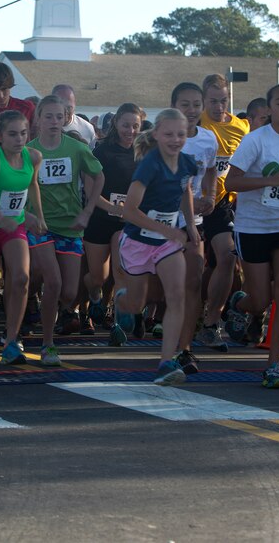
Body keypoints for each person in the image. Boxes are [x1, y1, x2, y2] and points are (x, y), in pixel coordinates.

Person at [224, 84, 279, 389]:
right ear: (270, 109)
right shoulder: (255, 141)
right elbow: (231, 182)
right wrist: (269, 180)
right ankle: (239, 304)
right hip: (252, 226)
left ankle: (274, 364)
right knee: (260, 300)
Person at [114, 108, 198, 385]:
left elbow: (184, 190)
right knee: (136, 305)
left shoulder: (187, 163)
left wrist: (190, 225)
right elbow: (129, 211)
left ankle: (166, 362)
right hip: (138, 241)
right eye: (169, 134)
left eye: (181, 134)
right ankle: (121, 300)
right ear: (157, 135)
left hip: (166, 244)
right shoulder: (150, 165)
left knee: (176, 295)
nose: (175, 140)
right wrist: (166, 229)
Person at [27, 94, 104, 364]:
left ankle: (40, 306)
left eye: (59, 117)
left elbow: (98, 176)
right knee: (54, 282)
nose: (54, 122)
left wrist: (87, 210)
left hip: (71, 226)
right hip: (41, 226)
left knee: (69, 293)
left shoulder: (76, 148)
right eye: (48, 116)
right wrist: (27, 215)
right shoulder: (30, 151)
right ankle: (48, 345)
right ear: (37, 120)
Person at [0, 110, 46, 364]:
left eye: (24, 133)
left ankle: (12, 340)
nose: (19, 139)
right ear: (0, 136)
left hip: (14, 227)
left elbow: (33, 185)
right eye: (13, 134)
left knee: (21, 279)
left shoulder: (34, 156)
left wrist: (38, 215)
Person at [197, 74, 250, 349]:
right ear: (203, 101)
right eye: (213, 101)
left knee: (228, 257)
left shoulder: (241, 127)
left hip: (221, 204)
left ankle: (212, 321)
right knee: (196, 267)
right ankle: (188, 314)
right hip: (190, 202)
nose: (219, 107)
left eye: (223, 100)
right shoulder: (195, 123)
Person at [83, 103, 143, 332]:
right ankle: (95, 298)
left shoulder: (142, 152)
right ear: (116, 123)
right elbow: (91, 192)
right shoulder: (102, 151)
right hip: (99, 218)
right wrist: (114, 208)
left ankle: (119, 322)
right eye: (126, 125)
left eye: (135, 126)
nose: (131, 130)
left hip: (125, 223)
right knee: (98, 277)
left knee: (120, 273)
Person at [170, 82, 218, 371]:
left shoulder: (208, 139)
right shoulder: (159, 137)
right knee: (153, 294)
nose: (191, 110)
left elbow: (211, 169)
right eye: (184, 104)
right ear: (173, 104)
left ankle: (183, 349)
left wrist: (209, 197)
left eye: (196, 104)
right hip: (159, 222)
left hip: (193, 223)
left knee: (192, 284)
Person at [51, 84, 97, 148]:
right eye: (60, 106)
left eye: (69, 107)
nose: (64, 111)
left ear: (75, 104)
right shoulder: (41, 127)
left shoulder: (87, 129)